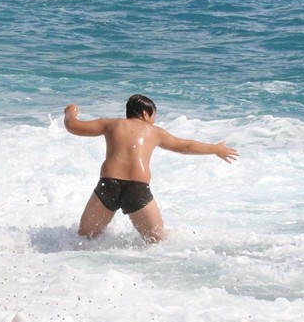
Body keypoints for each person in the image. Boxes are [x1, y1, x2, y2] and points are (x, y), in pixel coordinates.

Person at [64, 94, 239, 243]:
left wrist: (70, 112)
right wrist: (216, 149)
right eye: (154, 115)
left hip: (107, 186)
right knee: (158, 242)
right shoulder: (154, 131)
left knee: (84, 239)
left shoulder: (111, 124)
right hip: (137, 190)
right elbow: (185, 147)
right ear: (146, 113)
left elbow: (72, 126)